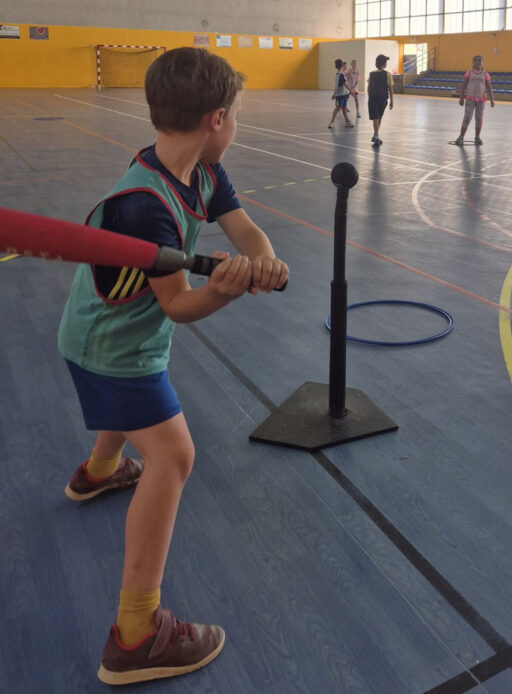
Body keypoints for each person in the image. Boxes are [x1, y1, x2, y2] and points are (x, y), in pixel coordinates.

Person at [57, 47, 289, 685]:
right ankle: (135, 634)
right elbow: (183, 305)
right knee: (174, 456)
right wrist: (226, 289)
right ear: (217, 117)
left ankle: (98, 472)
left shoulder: (205, 175)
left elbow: (243, 230)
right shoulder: (143, 204)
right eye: (236, 113)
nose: (236, 124)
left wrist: (262, 260)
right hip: (111, 348)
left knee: (137, 420)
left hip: (123, 337)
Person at [455, 54, 495, 145]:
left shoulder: (486, 74)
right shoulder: (469, 73)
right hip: (470, 99)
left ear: (482, 63)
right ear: (473, 63)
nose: (477, 62)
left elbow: (489, 88)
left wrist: (492, 100)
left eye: (479, 61)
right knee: (467, 118)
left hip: (481, 100)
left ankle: (477, 137)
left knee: (479, 118)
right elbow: (463, 86)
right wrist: (461, 98)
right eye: (476, 60)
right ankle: (461, 137)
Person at [367, 54, 394, 147]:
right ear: (384, 64)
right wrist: (392, 101)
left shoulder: (371, 74)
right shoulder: (388, 74)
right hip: (382, 98)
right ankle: (376, 135)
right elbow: (390, 88)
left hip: (373, 98)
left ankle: (376, 135)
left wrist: (370, 97)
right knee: (379, 117)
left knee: (375, 118)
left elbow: (369, 88)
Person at [329, 58, 354, 129]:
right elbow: (345, 84)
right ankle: (332, 122)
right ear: (342, 65)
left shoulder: (338, 74)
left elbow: (336, 85)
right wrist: (351, 91)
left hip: (343, 94)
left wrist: (334, 93)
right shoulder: (340, 75)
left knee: (343, 108)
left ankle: (347, 121)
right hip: (340, 95)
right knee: (337, 108)